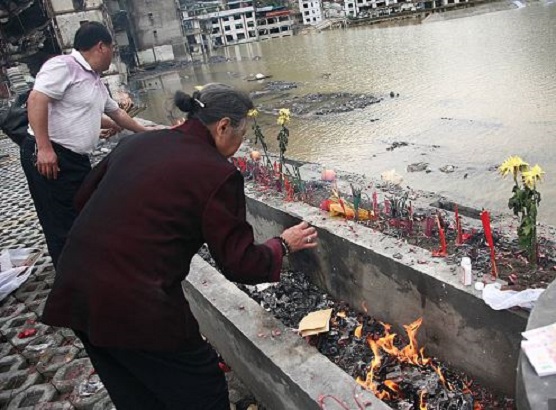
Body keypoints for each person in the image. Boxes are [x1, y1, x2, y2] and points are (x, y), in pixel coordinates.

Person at [41, 84, 318, 410]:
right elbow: (239, 263)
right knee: (202, 388)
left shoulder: (138, 142)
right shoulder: (216, 173)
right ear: (223, 126)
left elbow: (84, 197)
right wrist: (282, 244)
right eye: (241, 134)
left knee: (135, 393)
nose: (241, 143)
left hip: (76, 287)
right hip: (135, 303)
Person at [21, 21, 153, 268]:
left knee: (86, 212)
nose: (113, 55)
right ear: (101, 46)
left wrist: (148, 133)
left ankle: (90, 270)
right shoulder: (63, 66)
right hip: (52, 156)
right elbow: (36, 99)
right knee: (62, 222)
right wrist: (45, 148)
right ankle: (72, 283)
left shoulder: (93, 79)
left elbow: (116, 114)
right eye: (112, 48)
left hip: (75, 159)